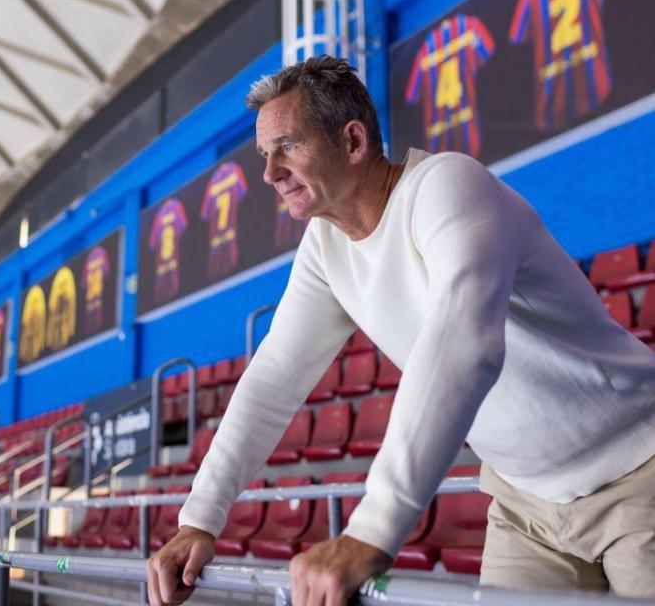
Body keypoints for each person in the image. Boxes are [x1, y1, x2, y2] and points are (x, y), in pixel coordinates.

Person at [145, 56, 655, 605]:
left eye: (287, 146)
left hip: (637, 474)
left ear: (354, 141)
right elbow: (272, 382)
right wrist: (200, 517)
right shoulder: (324, 247)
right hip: (526, 506)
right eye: (264, 155)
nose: (270, 173)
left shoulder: (448, 185)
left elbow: (465, 346)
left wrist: (371, 530)